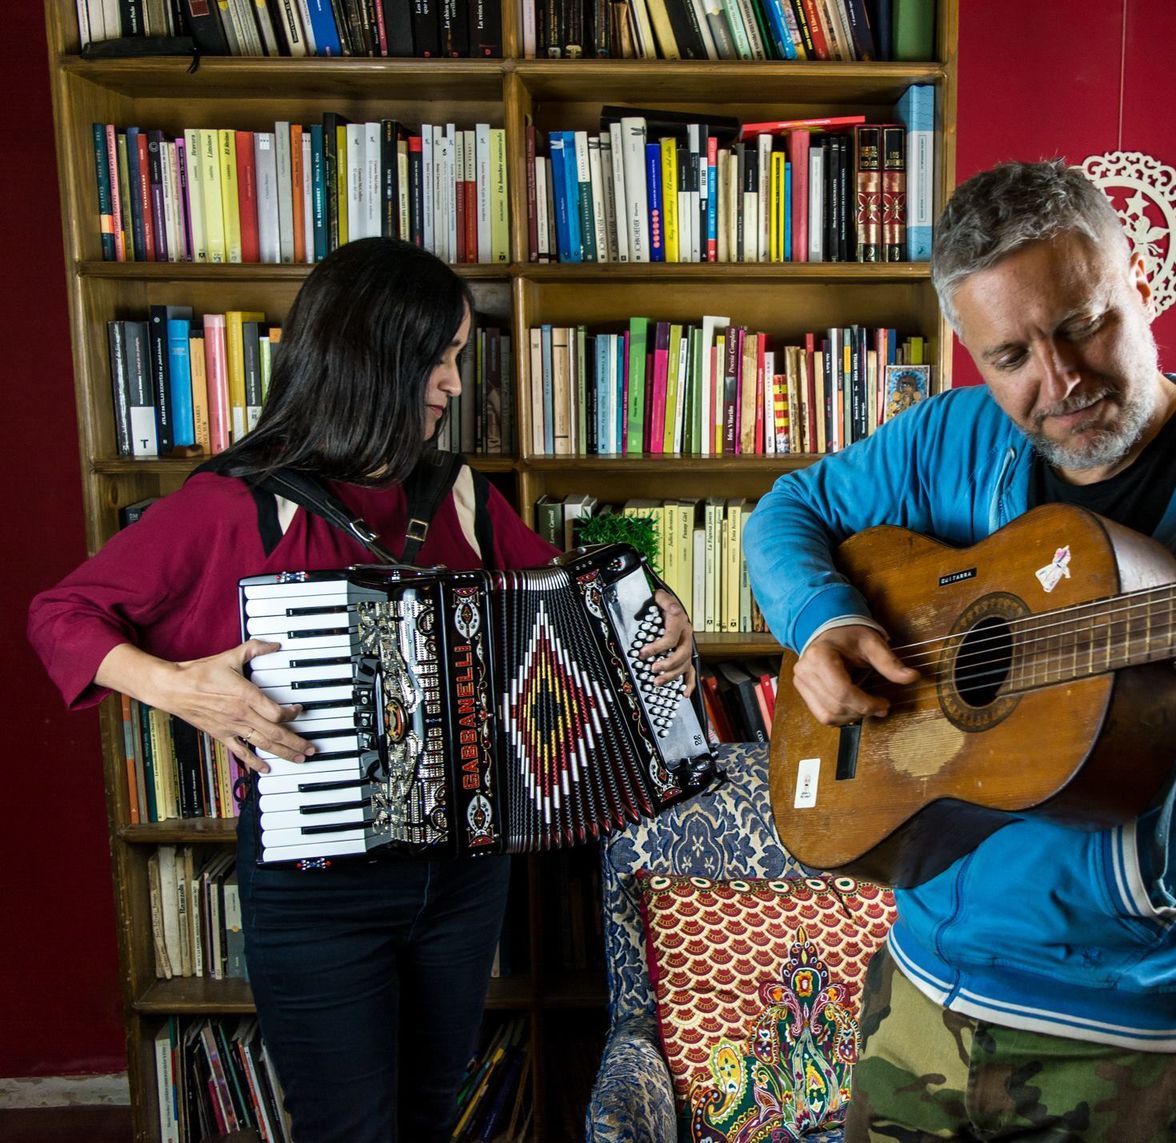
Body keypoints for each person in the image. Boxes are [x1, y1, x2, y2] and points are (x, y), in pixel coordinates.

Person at [743, 161, 1176, 1141]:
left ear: (1138, 284)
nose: (1058, 380)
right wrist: (821, 620)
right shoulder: (946, 437)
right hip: (918, 1002)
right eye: (1010, 355)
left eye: (1082, 325)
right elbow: (786, 513)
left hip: (1131, 1039)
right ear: (972, 353)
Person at [28, 237, 695, 1143]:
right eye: (439, 358)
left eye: (458, 357)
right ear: (373, 357)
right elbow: (61, 615)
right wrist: (180, 688)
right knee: (349, 1128)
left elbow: (573, 607)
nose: (453, 383)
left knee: (427, 1114)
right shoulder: (238, 504)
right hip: (316, 892)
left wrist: (654, 604)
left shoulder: (459, 494)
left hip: (465, 877)